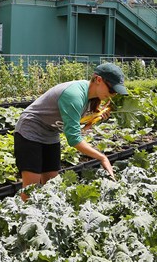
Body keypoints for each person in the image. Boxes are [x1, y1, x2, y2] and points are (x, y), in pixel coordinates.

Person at [13, 63, 127, 201]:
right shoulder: (74, 95)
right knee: (31, 188)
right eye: (112, 90)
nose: (112, 95)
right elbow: (74, 139)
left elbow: (76, 128)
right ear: (98, 80)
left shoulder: (91, 98)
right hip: (30, 131)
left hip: (50, 134)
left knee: (52, 185)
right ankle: (24, 217)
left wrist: (94, 119)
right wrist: (102, 157)